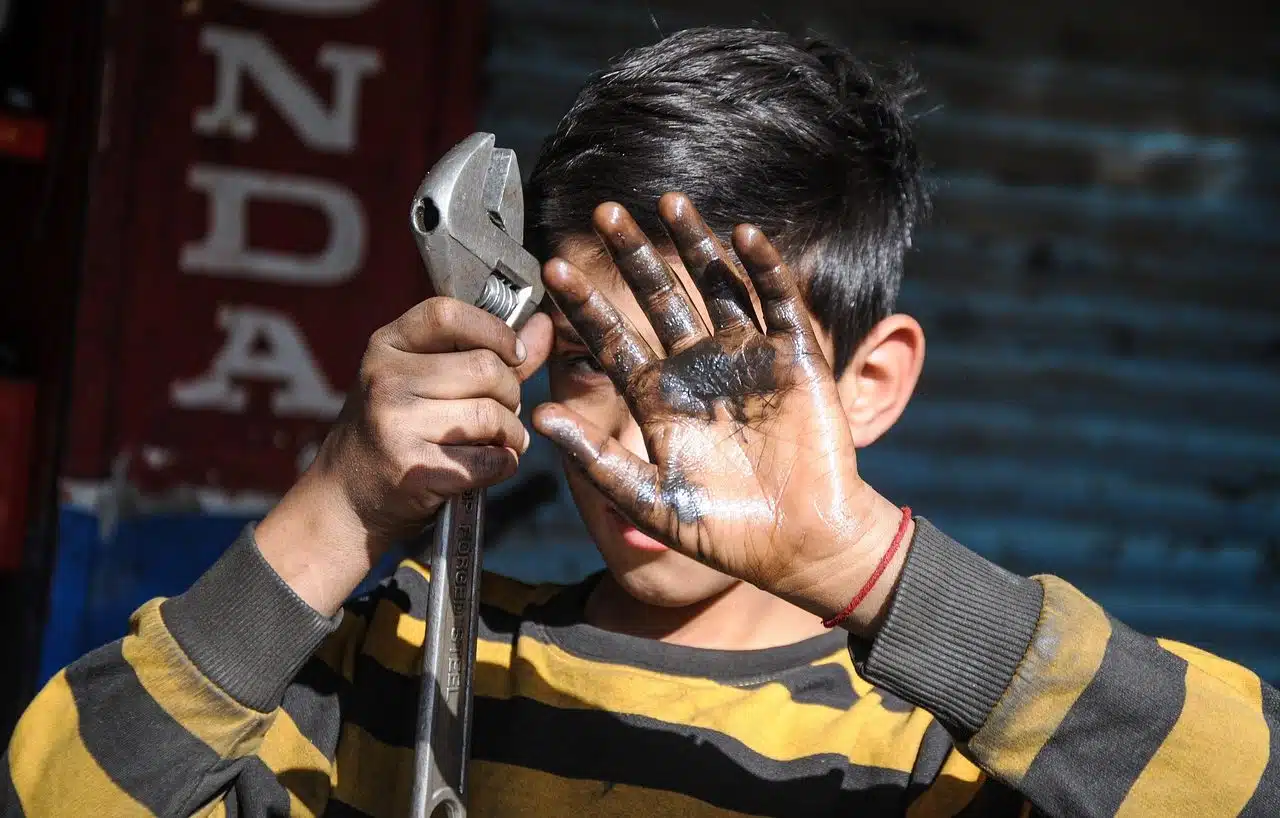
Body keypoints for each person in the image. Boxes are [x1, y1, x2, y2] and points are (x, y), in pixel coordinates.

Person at [3, 26, 1276, 818]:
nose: (649, 439)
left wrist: (863, 567)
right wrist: (337, 502)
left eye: (714, 369)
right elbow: (55, 794)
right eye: (599, 356)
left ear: (871, 384)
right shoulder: (401, 669)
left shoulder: (948, 755)